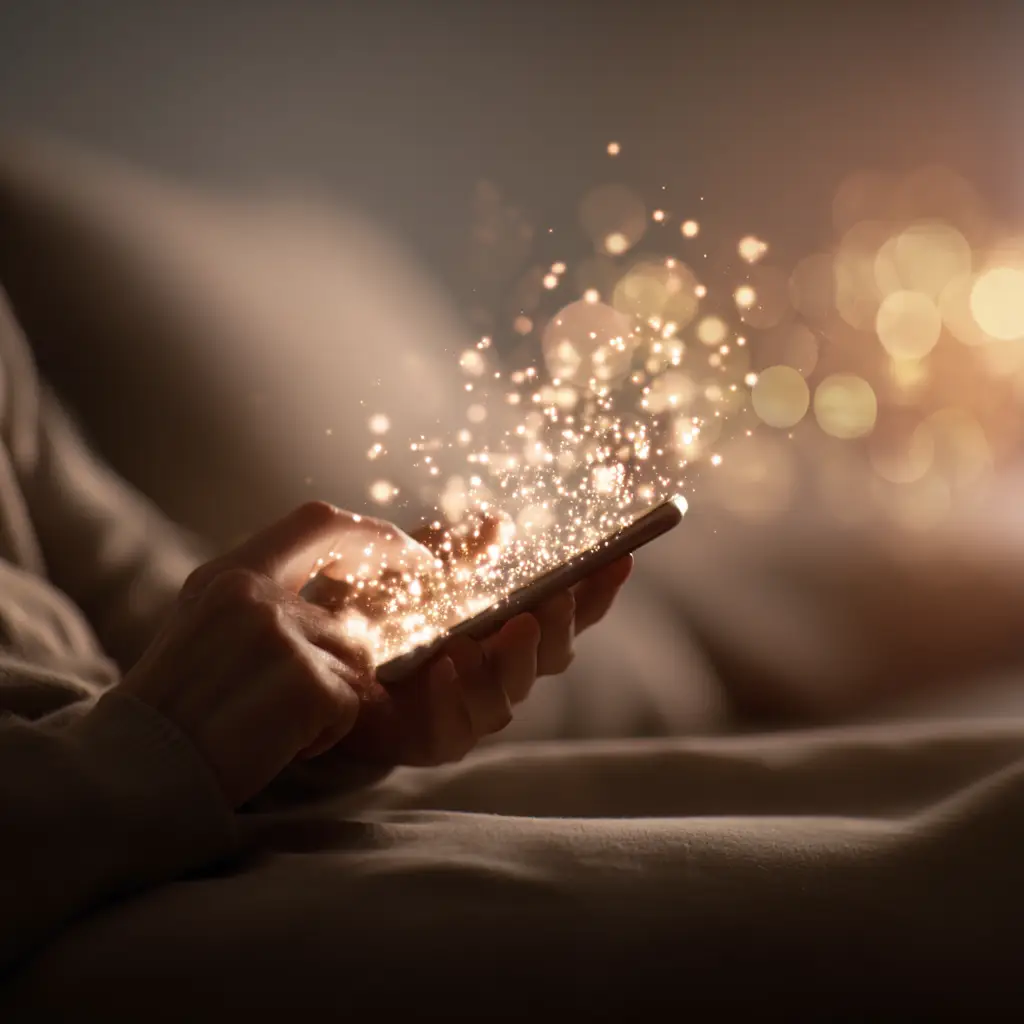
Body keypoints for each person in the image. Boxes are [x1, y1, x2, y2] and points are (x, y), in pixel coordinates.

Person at [2, 279, 1024, 1017]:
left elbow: (130, 596)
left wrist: (319, 709)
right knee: (947, 894)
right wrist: (154, 745)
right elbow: (150, 709)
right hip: (77, 907)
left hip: (162, 823)